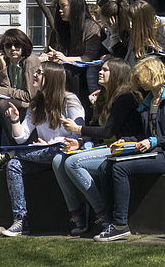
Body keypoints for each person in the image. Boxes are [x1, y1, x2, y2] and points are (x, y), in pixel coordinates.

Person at [0, 62, 86, 237]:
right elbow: (21, 137)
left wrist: (51, 143)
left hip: (63, 152)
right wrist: (14, 120)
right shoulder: (36, 103)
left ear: (51, 78)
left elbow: (78, 133)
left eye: (40, 72)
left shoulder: (70, 100)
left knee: (58, 148)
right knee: (14, 165)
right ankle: (20, 220)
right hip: (39, 156)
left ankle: (11, 154)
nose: (35, 75)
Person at [93, 56, 165, 242]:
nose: (140, 82)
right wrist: (124, 141)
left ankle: (120, 224)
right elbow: (142, 135)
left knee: (120, 168)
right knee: (106, 166)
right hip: (153, 151)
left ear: (153, 75)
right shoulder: (147, 102)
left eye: (143, 77)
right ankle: (110, 220)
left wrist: (153, 141)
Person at [51, 58, 142, 235]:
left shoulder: (125, 98)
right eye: (101, 69)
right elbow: (94, 125)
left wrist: (78, 129)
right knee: (57, 160)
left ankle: (103, 214)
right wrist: (79, 141)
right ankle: (77, 214)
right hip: (102, 147)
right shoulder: (102, 96)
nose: (100, 72)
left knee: (73, 163)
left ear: (116, 74)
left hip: (121, 146)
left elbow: (109, 132)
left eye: (106, 70)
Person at [0, 28, 41, 147]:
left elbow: (30, 95)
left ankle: (14, 146)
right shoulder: (10, 62)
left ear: (24, 45)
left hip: (31, 104)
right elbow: (6, 87)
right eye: (8, 46)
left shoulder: (29, 61)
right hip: (17, 100)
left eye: (17, 45)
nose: (13, 49)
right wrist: (3, 66)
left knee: (2, 104)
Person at [45, 0, 103, 106]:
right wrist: (53, 56)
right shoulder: (62, 28)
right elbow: (57, 52)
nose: (60, 11)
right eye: (59, 7)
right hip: (65, 67)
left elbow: (89, 57)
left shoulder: (91, 27)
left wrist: (65, 58)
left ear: (75, 6)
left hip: (84, 70)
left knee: (71, 74)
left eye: (63, 6)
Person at [123, 0, 165, 66]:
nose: (130, 25)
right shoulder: (137, 31)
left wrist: (155, 47)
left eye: (133, 21)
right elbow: (130, 57)